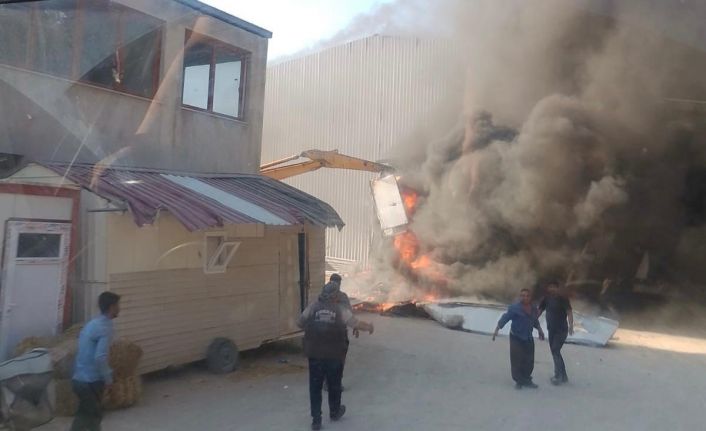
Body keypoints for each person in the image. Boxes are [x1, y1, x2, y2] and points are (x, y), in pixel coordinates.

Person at [299, 283, 374, 430]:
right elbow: (355, 323)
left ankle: (316, 420)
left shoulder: (312, 307)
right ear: (335, 296)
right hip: (334, 355)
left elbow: (299, 323)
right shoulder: (340, 310)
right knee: (334, 385)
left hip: (315, 354)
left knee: (315, 387)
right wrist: (369, 327)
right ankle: (334, 411)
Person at [71, 291, 120, 431]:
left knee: (82, 417)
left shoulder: (93, 323)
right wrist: (108, 378)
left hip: (78, 379)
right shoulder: (105, 327)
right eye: (118, 305)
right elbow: (100, 357)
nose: (119, 308)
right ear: (112, 307)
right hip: (90, 382)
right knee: (94, 418)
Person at [492, 288, 545, 389]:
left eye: (527, 296)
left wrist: (540, 330)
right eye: (523, 295)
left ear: (530, 297)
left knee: (529, 360)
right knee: (517, 359)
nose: (525, 297)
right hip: (516, 336)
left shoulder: (533, 308)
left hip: (528, 337)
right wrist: (496, 330)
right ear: (520, 297)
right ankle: (519, 381)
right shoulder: (514, 308)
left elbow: (534, 320)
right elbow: (505, 318)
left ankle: (526, 379)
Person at [538, 281, 574, 385]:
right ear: (548, 288)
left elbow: (569, 312)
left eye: (554, 287)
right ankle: (564, 376)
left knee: (555, 350)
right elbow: (539, 311)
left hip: (561, 330)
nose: (552, 289)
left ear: (558, 288)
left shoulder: (563, 299)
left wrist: (571, 325)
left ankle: (558, 376)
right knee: (555, 352)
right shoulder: (546, 299)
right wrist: (532, 321)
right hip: (551, 330)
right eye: (550, 287)